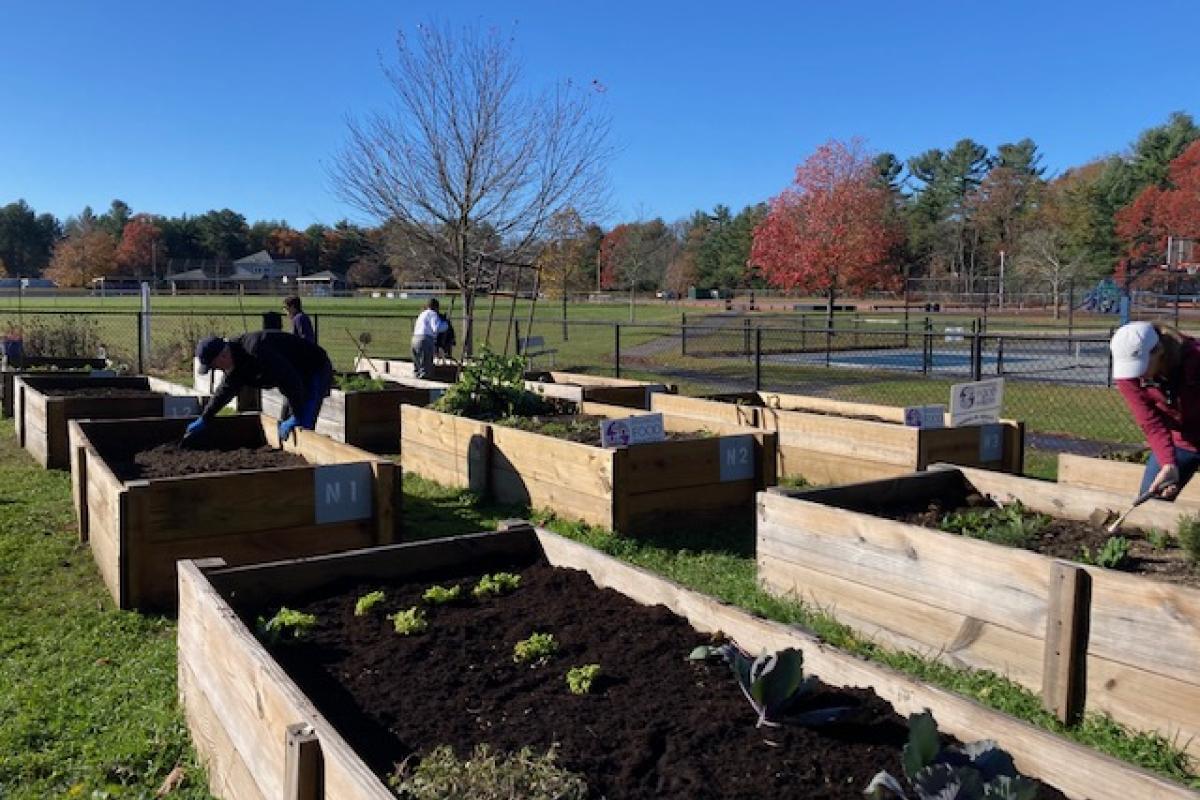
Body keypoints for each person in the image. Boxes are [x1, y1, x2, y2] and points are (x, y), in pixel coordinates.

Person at [186, 330, 333, 445]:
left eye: (215, 366)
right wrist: (206, 418)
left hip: (313, 369)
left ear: (223, 356)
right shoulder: (236, 363)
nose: (217, 370)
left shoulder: (256, 350)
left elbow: (290, 380)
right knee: (286, 421)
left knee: (303, 424)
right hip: (292, 377)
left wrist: (297, 415)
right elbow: (225, 391)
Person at [1110, 321, 1200, 499]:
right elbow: (1151, 423)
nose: (1137, 375)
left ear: (1159, 351)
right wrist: (1168, 464)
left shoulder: (1195, 360)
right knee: (1152, 498)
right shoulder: (1130, 377)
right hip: (1182, 442)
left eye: (1141, 365)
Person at [411, 298, 448, 379]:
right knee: (426, 367)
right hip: (425, 339)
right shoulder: (433, 314)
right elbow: (436, 328)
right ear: (436, 307)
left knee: (417, 365)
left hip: (414, 339)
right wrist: (445, 324)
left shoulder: (422, 314)